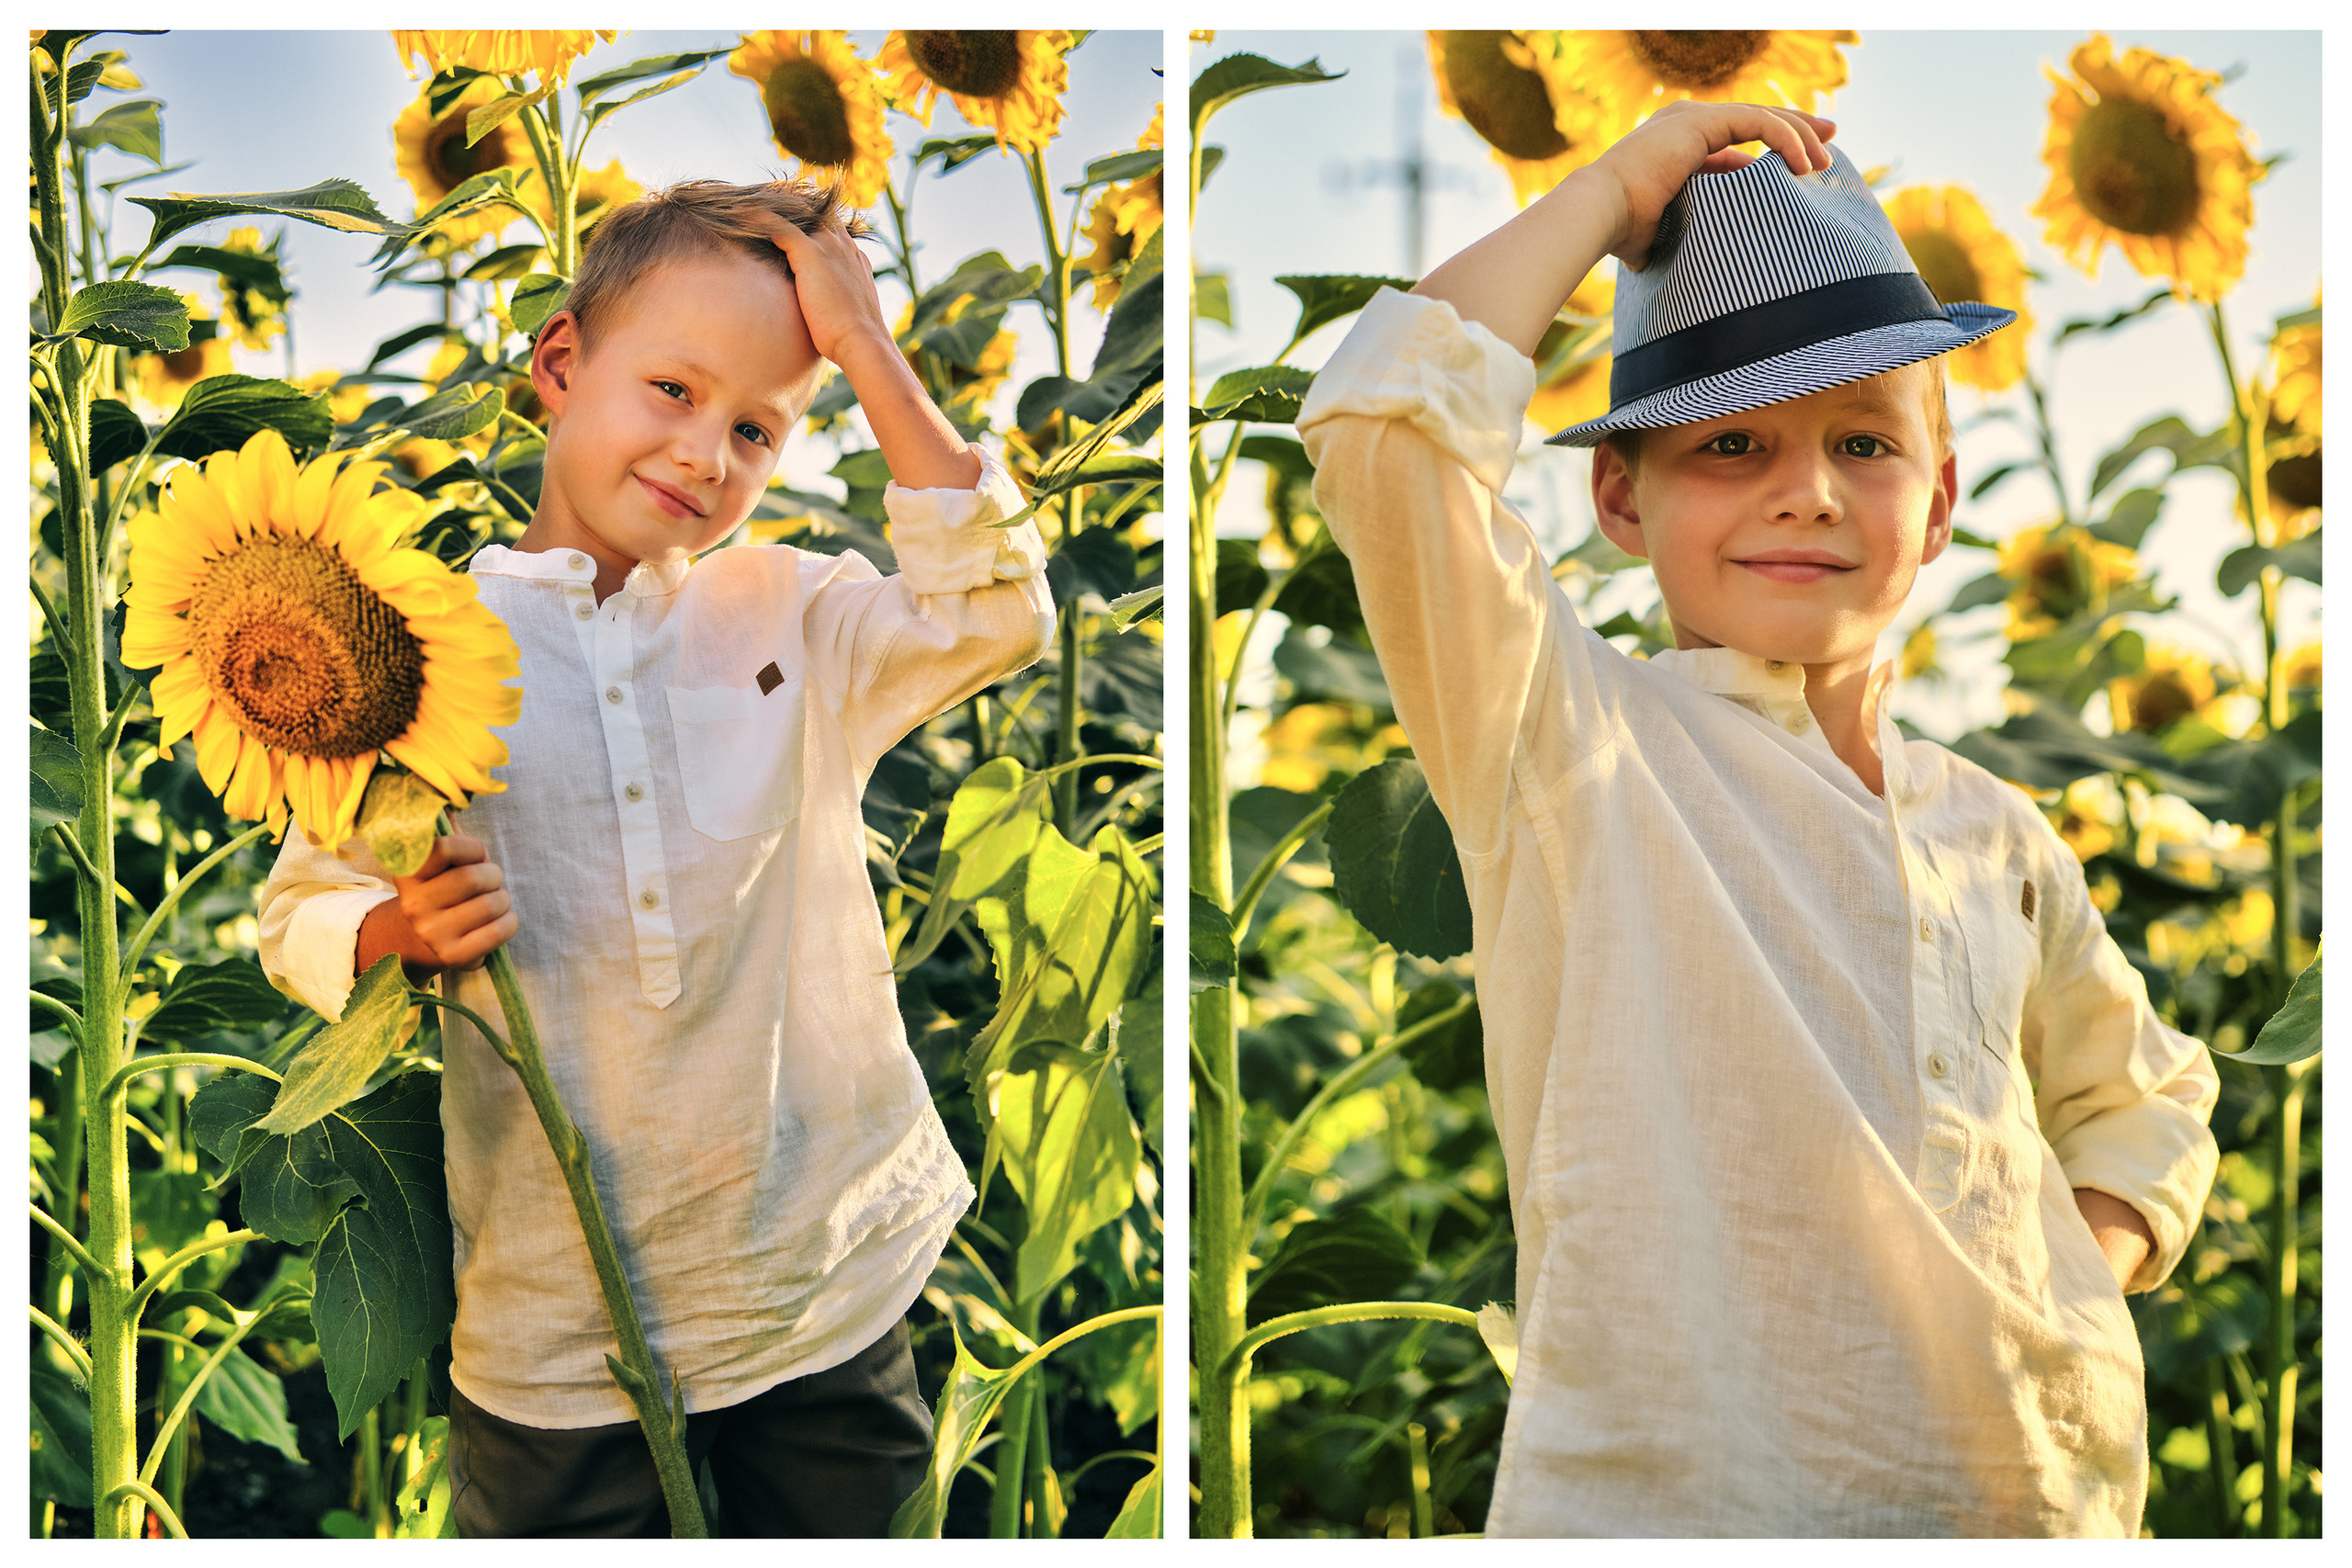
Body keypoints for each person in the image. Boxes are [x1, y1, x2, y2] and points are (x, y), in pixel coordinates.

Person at [1295, 101, 2219, 1536]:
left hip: (2036, 1500)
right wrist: (1614, 189)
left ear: (1943, 500)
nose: (1806, 491)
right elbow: (1382, 429)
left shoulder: (1993, 832)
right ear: (1618, 491)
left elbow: (2141, 1089)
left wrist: (2079, 1262)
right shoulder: (1572, 747)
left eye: (1865, 441)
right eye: (1728, 444)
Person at [257, 178, 1055, 1537]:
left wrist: (863, 343)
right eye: (674, 390)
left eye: (757, 428)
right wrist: (398, 933)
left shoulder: (792, 615)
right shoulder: (416, 649)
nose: (706, 454)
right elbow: (296, 914)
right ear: (561, 364)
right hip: (554, 1326)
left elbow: (993, 609)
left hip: (809, 1285)